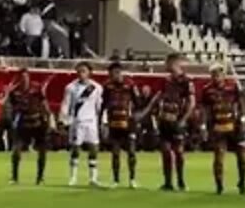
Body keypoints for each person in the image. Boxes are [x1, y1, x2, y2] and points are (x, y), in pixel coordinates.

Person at [145, 53, 195, 191]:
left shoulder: (186, 81)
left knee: (178, 151)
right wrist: (147, 111)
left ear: (174, 63)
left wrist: (184, 119)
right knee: (166, 151)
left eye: (167, 63)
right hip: (164, 120)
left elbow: (192, 103)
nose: (165, 66)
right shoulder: (166, 81)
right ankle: (168, 182)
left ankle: (181, 181)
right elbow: (157, 97)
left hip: (177, 121)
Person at [201, 63, 245, 195]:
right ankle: (219, 186)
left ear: (223, 75)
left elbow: (242, 103)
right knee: (219, 158)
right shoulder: (207, 90)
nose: (216, 77)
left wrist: (243, 120)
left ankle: (242, 182)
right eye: (214, 75)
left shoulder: (233, 87)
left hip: (234, 127)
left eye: (218, 74)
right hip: (218, 128)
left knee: (242, 157)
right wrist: (203, 126)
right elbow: (204, 110)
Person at [61, 61, 104, 187]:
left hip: (91, 122)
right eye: (79, 71)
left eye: (83, 71)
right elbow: (66, 104)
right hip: (77, 122)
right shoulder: (71, 88)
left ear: (89, 72)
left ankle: (93, 178)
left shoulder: (96, 88)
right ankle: (73, 177)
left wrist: (103, 121)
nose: (81, 74)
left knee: (94, 149)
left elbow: (99, 106)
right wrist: (64, 121)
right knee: (75, 149)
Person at [5, 69, 50, 185]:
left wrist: (48, 117)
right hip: (23, 124)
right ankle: (14, 177)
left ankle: (40, 178)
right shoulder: (14, 91)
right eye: (22, 77)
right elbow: (9, 106)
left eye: (26, 77)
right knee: (16, 151)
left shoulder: (36, 88)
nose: (25, 79)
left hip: (38, 124)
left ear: (29, 77)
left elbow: (44, 102)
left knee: (42, 151)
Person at [101, 61, 141, 189]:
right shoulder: (107, 86)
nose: (114, 76)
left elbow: (138, 103)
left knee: (131, 152)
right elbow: (103, 105)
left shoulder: (130, 85)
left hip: (128, 123)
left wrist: (136, 119)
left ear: (120, 72)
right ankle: (116, 180)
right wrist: (103, 122)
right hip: (113, 123)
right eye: (111, 74)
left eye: (116, 73)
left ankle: (132, 179)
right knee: (115, 153)